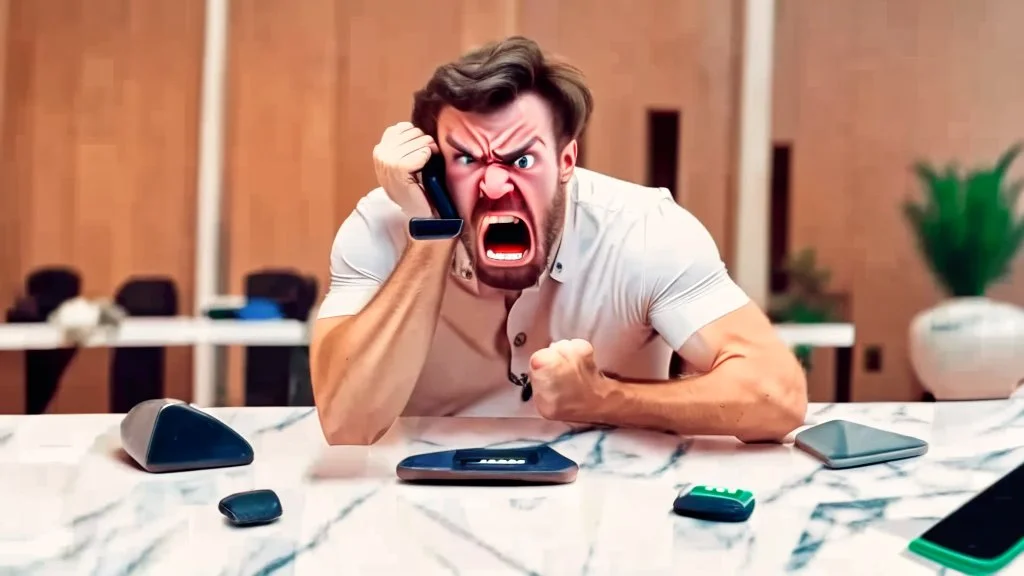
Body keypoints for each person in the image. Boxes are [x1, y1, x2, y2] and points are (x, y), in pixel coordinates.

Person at [310, 36, 807, 446]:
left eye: (521, 160)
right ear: (435, 166)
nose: (495, 186)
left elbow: (776, 397)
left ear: (567, 161)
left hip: (606, 508)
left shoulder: (643, 230)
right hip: (423, 499)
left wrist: (601, 399)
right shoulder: (382, 224)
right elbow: (345, 424)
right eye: (465, 160)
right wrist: (431, 234)